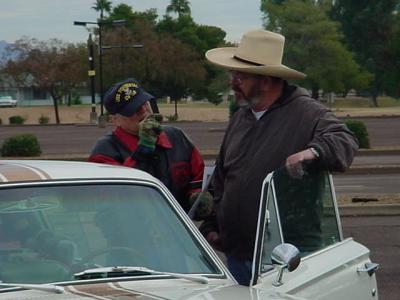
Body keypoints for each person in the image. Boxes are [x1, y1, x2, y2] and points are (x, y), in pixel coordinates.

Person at [200, 29, 359, 285]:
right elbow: (222, 176)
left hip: (287, 259)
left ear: (266, 80)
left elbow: (345, 141)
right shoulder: (241, 116)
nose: (232, 82)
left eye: (240, 76)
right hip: (238, 256)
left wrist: (314, 152)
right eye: (233, 74)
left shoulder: (307, 113)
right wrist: (212, 225)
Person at [89, 78, 210, 215]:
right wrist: (143, 150)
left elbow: (200, 176)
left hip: (177, 228)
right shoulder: (105, 152)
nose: (144, 110)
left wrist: (197, 196)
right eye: (134, 109)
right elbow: (116, 196)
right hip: (132, 230)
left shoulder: (176, 136)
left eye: (144, 103)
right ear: (115, 120)